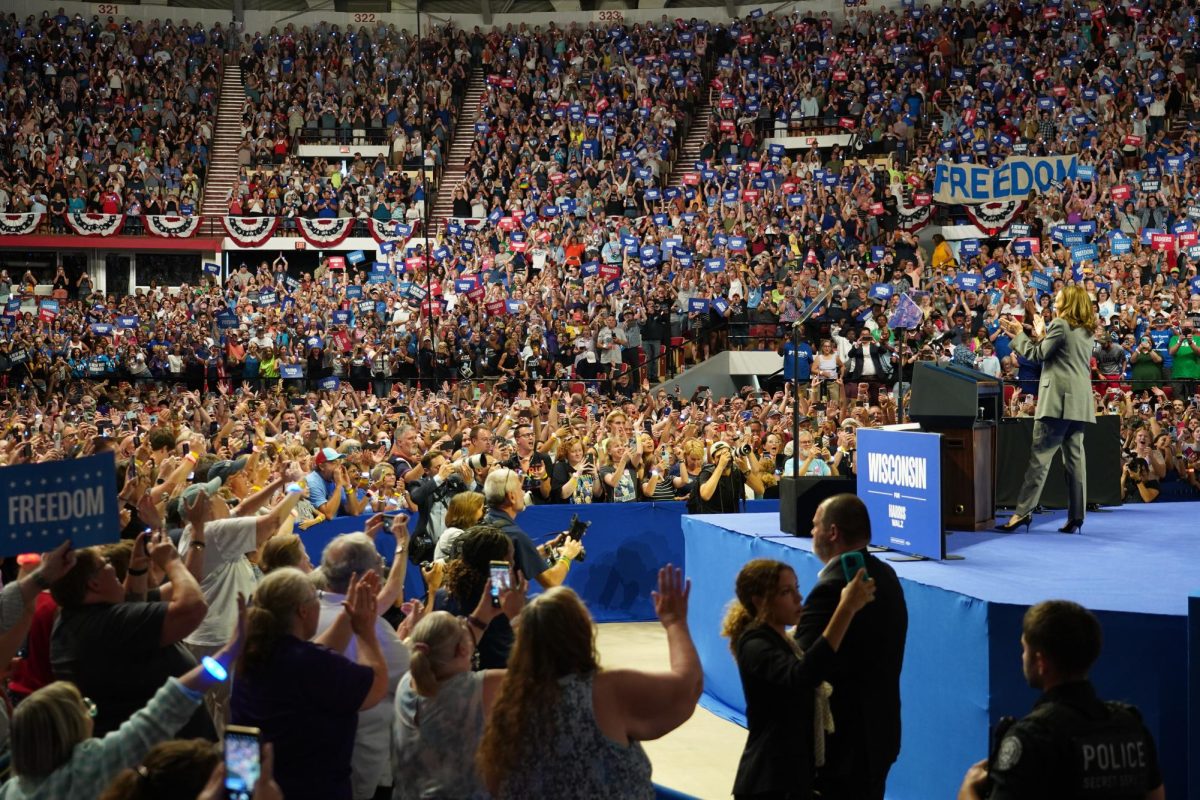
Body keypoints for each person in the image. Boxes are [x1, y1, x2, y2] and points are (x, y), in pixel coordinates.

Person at [477, 566, 702, 799]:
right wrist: (676, 623)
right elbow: (690, 686)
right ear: (584, 633)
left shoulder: (501, 695)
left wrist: (516, 617)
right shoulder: (608, 689)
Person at [0, 596, 245, 800]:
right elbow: (161, 713)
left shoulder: (12, 789)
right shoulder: (87, 768)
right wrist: (227, 653)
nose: (90, 712)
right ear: (68, 730)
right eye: (85, 708)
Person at [956, 600, 1164, 800]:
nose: (1022, 657)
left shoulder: (1032, 738)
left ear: (1040, 662)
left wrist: (968, 788)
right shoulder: (1132, 727)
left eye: (1025, 649)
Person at [230, 568, 391, 800]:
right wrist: (365, 630)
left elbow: (315, 655)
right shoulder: (311, 665)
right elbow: (377, 685)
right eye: (317, 597)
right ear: (303, 611)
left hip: (254, 789)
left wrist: (348, 615)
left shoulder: (252, 654)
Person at [722, 559, 877, 800]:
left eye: (796, 588)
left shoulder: (786, 642)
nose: (798, 598)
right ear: (760, 601)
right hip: (769, 783)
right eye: (786, 592)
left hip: (793, 780)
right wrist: (845, 609)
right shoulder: (754, 645)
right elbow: (804, 675)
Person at [794, 494, 908, 800]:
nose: (811, 532)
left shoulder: (831, 588)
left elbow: (802, 665)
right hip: (881, 732)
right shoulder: (888, 576)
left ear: (833, 532)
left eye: (816, 525)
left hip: (842, 744)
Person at [391, 574, 526, 800]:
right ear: (465, 650)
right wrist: (516, 616)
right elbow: (539, 675)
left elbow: (452, 644)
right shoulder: (477, 689)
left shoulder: (408, 680)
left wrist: (484, 609)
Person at [997, 285, 1096, 534]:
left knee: (1039, 459)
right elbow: (1057, 355)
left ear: (1069, 301)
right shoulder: (1086, 330)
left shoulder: (1061, 324)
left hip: (1057, 401)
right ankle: (1077, 517)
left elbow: (1037, 355)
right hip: (1079, 401)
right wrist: (1040, 333)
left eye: (1060, 298)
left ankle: (1021, 513)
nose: (1055, 301)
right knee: (1076, 460)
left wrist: (1019, 333)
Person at [482, 467, 582, 590]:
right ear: (512, 497)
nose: (524, 493)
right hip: (502, 606)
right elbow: (552, 582)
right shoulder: (515, 536)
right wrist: (567, 555)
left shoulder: (484, 523)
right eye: (520, 489)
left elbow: (512, 561)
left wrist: (545, 550)